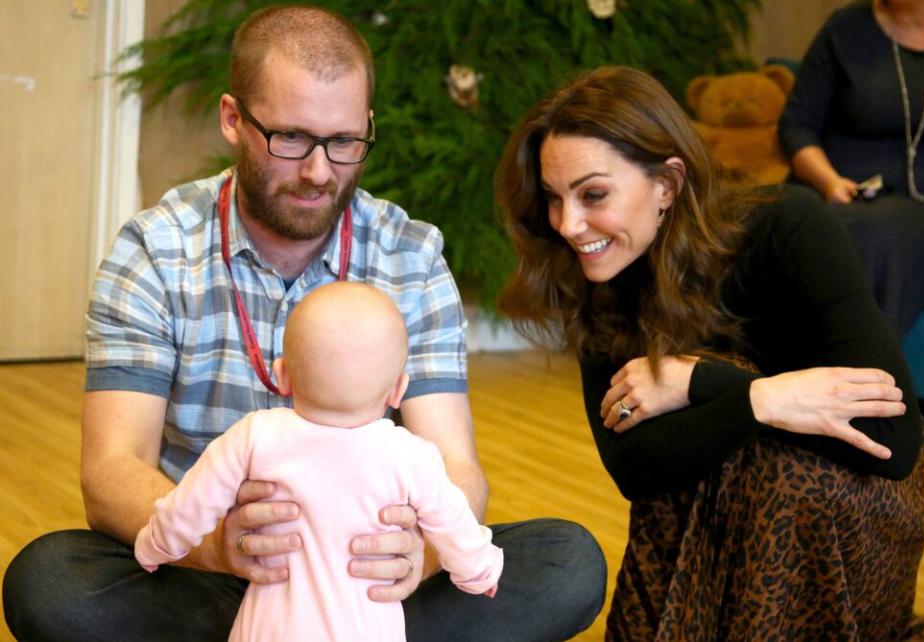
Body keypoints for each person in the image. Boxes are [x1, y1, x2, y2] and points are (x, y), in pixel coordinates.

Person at [2, 6, 605, 641]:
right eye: (291, 138)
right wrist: (216, 546)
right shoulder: (157, 248)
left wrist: (420, 559)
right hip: (202, 566)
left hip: (363, 584)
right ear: (233, 118)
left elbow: (456, 466)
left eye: (344, 143)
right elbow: (112, 468)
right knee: (49, 581)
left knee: (566, 561)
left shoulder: (410, 255)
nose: (319, 171)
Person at [495, 65, 924, 640]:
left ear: (667, 183)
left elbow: (894, 446)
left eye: (593, 194)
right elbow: (634, 470)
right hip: (704, 526)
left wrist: (705, 384)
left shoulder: (786, 224)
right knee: (701, 463)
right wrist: (759, 399)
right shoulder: (597, 275)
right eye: (552, 198)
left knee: (778, 476)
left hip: (845, 522)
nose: (568, 224)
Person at [134, 282, 503, 641]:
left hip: (268, 628)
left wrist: (156, 545)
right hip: (368, 627)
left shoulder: (254, 435)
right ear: (397, 390)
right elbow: (455, 526)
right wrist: (480, 572)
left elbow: (189, 507)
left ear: (281, 376)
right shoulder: (410, 454)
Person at [778, 0, 924, 339]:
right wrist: (829, 182)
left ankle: (854, 373)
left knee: (879, 231)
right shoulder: (844, 28)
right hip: (839, 192)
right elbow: (796, 127)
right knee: (782, 220)